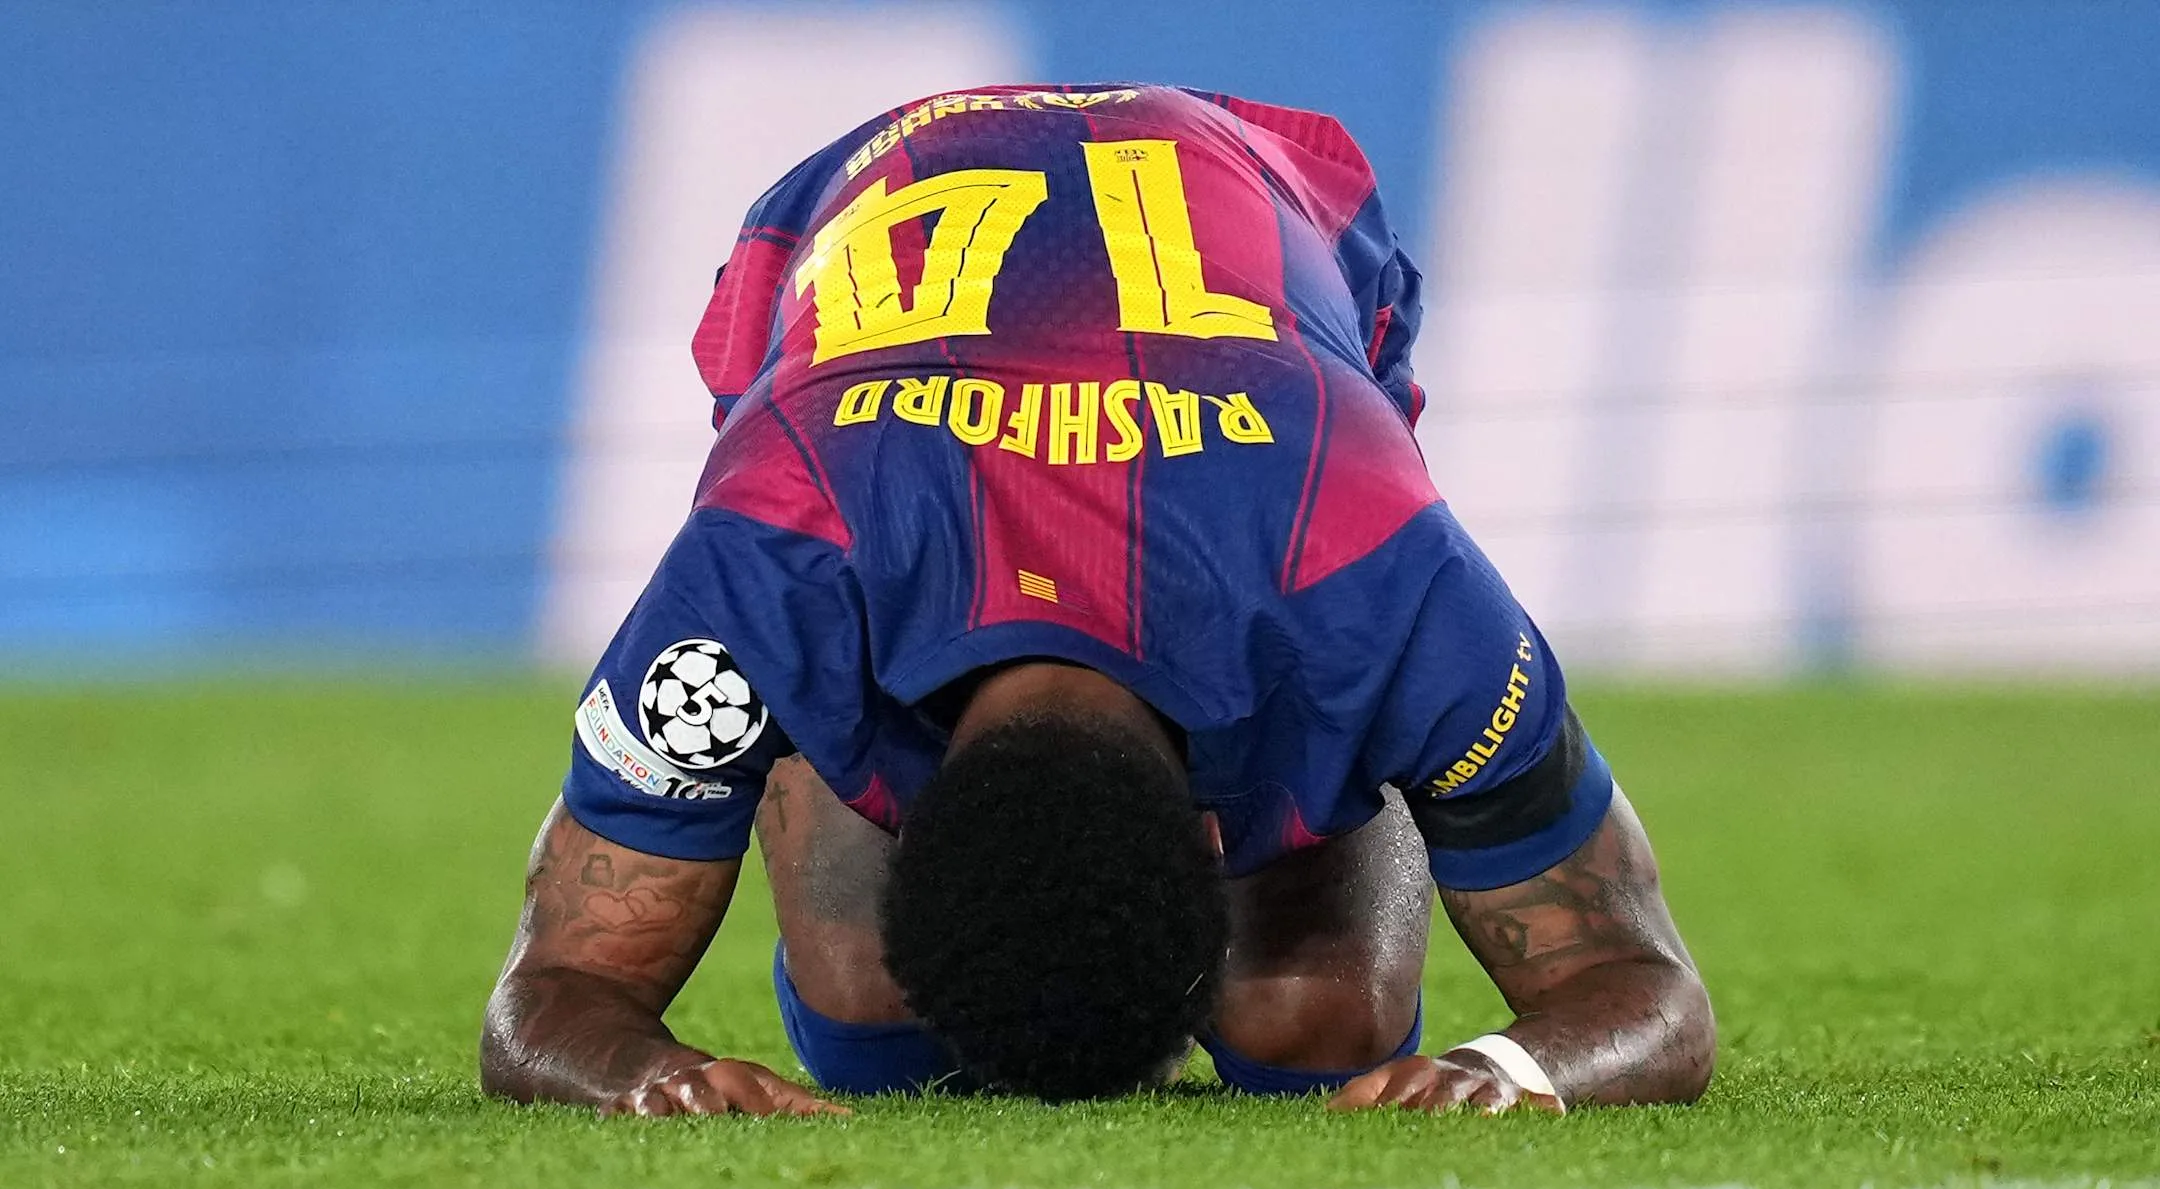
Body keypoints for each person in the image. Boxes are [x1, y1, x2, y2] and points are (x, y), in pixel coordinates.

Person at [479, 84, 1713, 1117]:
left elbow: (1645, 988)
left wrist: (1505, 1073)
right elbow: (549, 1000)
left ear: (1222, 836)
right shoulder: (760, 574)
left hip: (1256, 206)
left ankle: (1321, 800)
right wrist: (651, 1079)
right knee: (876, 1021)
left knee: (1313, 1026)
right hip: (863, 259)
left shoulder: (1381, 583)